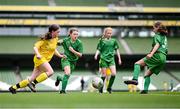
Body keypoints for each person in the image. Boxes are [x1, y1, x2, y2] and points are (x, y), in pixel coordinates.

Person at [9, 24, 66, 94]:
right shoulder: (45, 39)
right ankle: (33, 84)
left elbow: (53, 49)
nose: (59, 33)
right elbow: (35, 47)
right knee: (50, 72)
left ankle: (13, 88)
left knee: (31, 79)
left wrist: (60, 55)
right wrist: (38, 54)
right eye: (58, 32)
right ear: (52, 31)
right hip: (40, 58)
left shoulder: (56, 39)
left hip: (43, 60)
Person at [124, 21, 168, 94]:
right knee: (147, 74)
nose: (152, 29)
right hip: (163, 58)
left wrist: (151, 54)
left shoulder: (157, 35)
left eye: (154, 28)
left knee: (137, 64)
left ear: (157, 28)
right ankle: (145, 90)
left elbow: (157, 45)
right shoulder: (164, 37)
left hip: (157, 55)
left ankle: (135, 79)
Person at [55, 28, 83, 94]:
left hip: (73, 61)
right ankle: (63, 91)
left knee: (66, 77)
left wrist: (73, 51)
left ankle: (59, 77)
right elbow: (56, 43)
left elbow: (80, 55)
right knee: (67, 73)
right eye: (74, 34)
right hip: (65, 59)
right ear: (70, 34)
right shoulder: (65, 40)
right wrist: (58, 42)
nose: (76, 35)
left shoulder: (79, 43)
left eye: (77, 34)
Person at [94, 27, 122, 94]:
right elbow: (99, 49)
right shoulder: (101, 40)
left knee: (114, 74)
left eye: (110, 33)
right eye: (108, 33)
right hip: (103, 59)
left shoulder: (114, 41)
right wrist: (96, 55)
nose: (109, 34)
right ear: (105, 33)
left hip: (111, 59)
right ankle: (100, 88)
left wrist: (119, 58)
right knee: (104, 75)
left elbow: (117, 50)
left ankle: (109, 88)